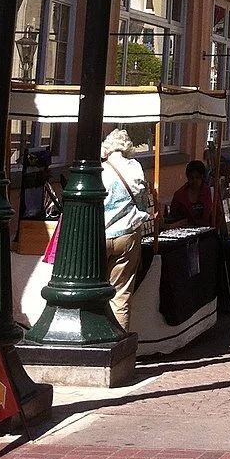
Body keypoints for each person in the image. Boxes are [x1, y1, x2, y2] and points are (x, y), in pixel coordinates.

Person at [101, 128, 153, 331]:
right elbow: (142, 201)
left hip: (100, 234)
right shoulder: (135, 167)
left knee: (95, 291)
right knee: (120, 295)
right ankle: (120, 343)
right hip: (127, 234)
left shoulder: (99, 170)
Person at [167, 160, 213, 227]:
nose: (194, 181)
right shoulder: (179, 196)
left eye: (197, 177)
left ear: (202, 177)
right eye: (192, 178)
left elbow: (217, 215)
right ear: (188, 177)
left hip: (207, 233)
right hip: (185, 232)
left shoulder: (210, 193)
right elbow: (173, 217)